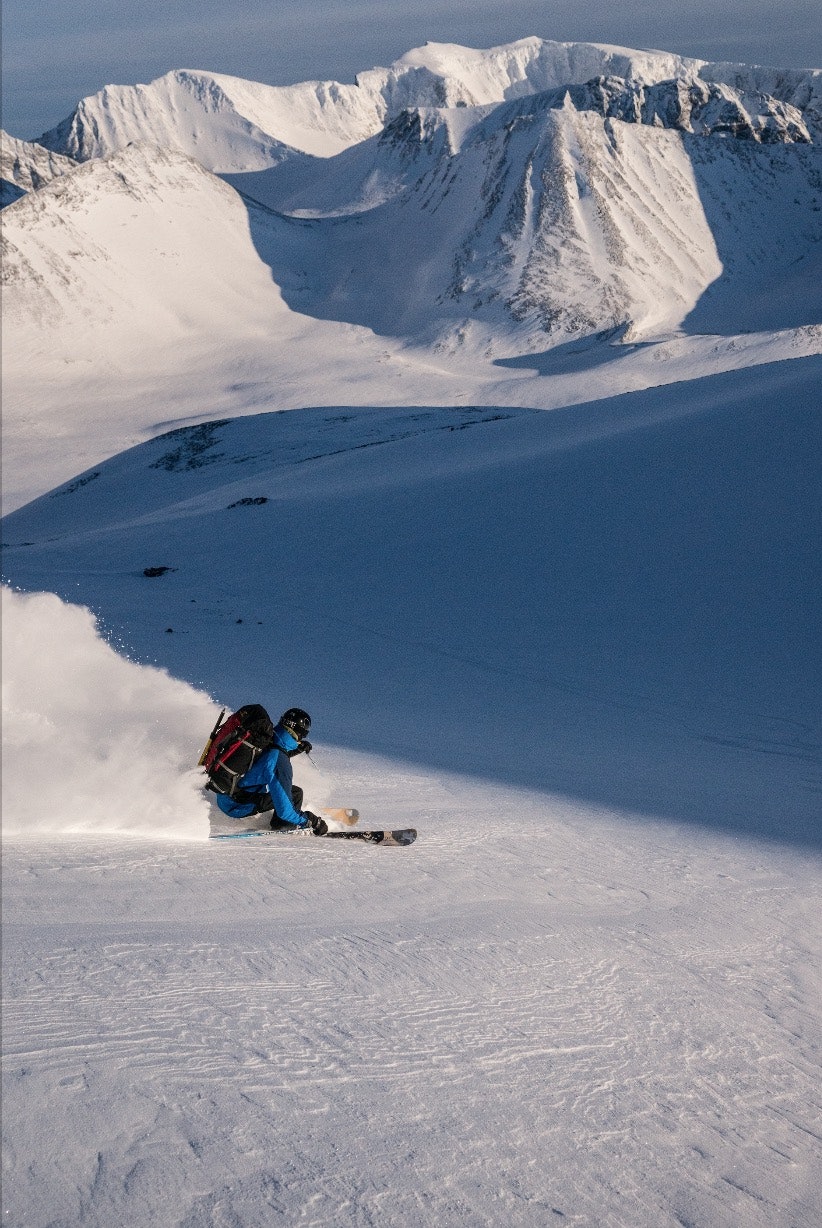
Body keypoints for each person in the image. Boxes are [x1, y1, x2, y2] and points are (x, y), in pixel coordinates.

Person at [213, 707, 328, 834]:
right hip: (237, 806)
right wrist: (311, 821)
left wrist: (297, 749)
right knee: (295, 794)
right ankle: (283, 829)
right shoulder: (280, 762)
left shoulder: (264, 739)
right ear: (300, 734)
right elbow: (284, 811)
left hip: (225, 795)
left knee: (288, 792)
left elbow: (269, 759)